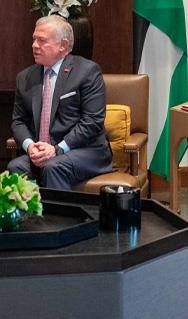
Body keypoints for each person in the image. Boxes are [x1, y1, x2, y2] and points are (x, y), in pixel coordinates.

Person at [7, 15, 112, 189]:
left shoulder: (87, 71)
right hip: (43, 151)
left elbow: (92, 121)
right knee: (16, 167)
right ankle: (30, 209)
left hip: (85, 151)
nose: (34, 45)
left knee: (54, 167)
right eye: (34, 39)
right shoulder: (25, 77)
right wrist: (30, 146)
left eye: (42, 40)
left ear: (63, 45)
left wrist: (58, 149)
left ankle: (56, 209)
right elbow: (18, 121)